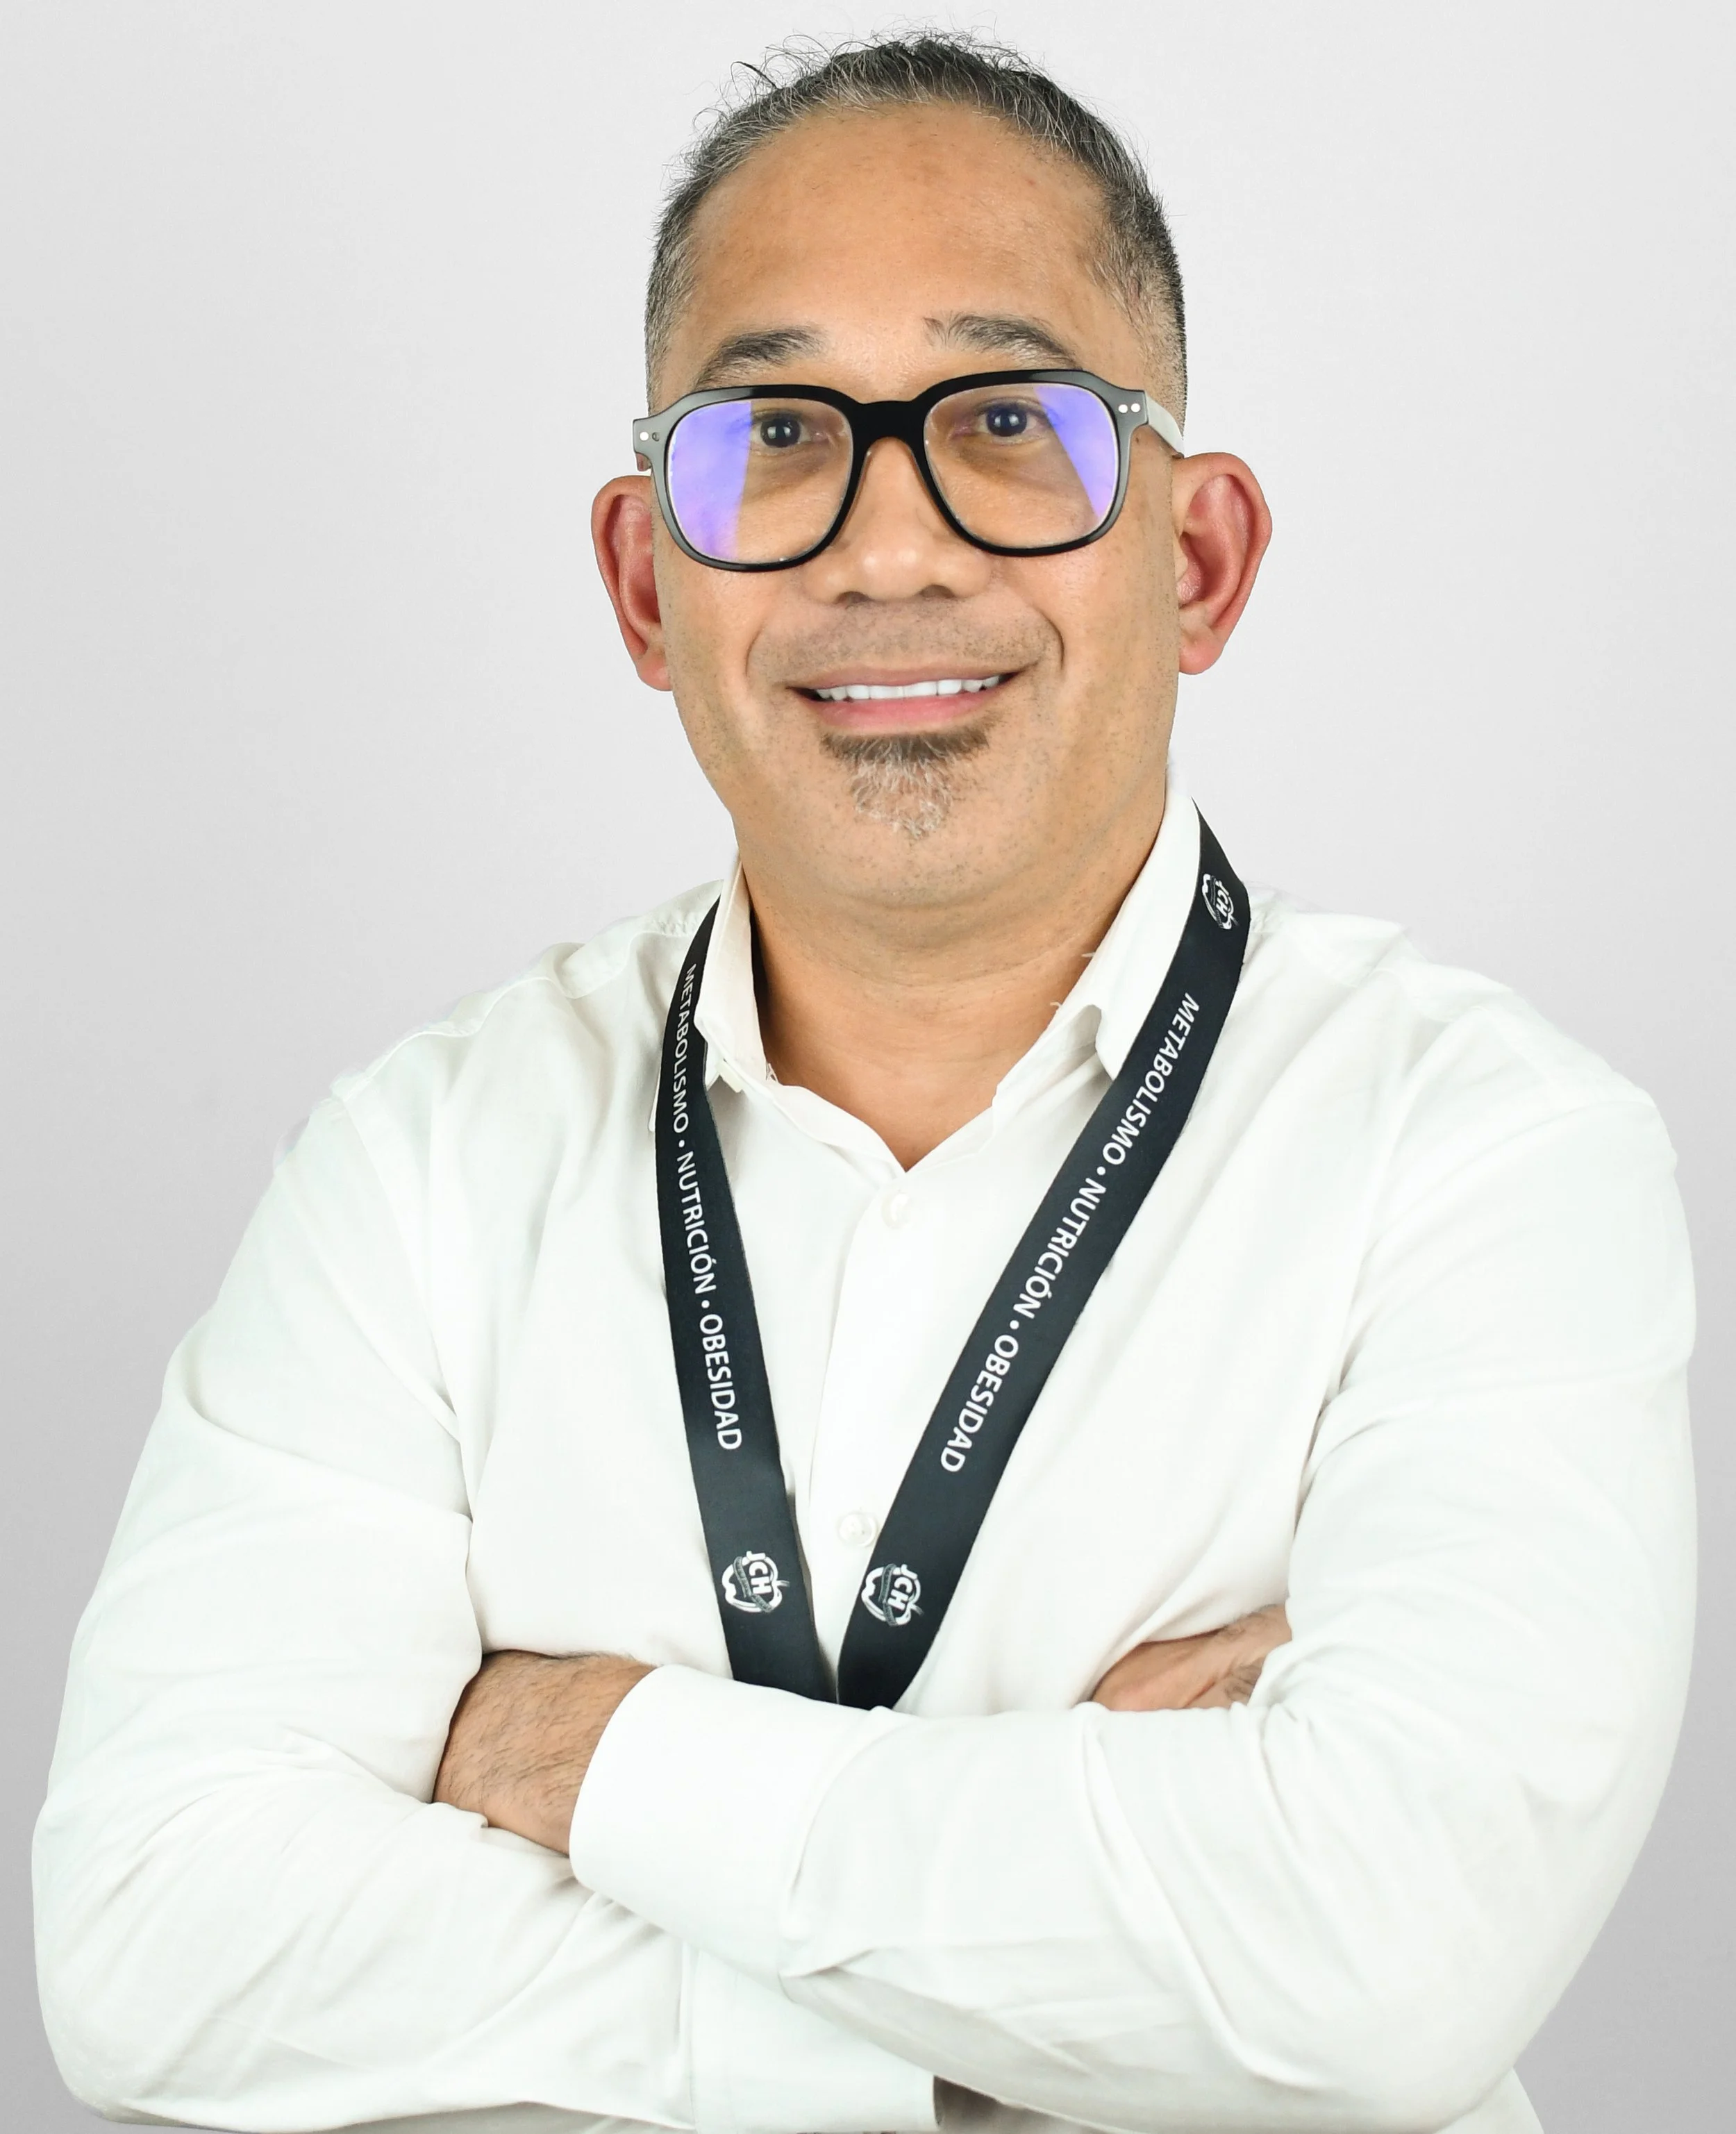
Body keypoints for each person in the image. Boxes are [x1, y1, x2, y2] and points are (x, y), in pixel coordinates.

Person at [33, 31, 1694, 2134]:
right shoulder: (420, 1170)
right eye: (776, 436)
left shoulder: (1482, 1155)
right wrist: (1043, 2008)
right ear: (646, 583)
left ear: (1197, 560)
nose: (887, 552)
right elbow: (156, 1951)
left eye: (1009, 422)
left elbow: (1385, 1971)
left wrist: (587, 1754)